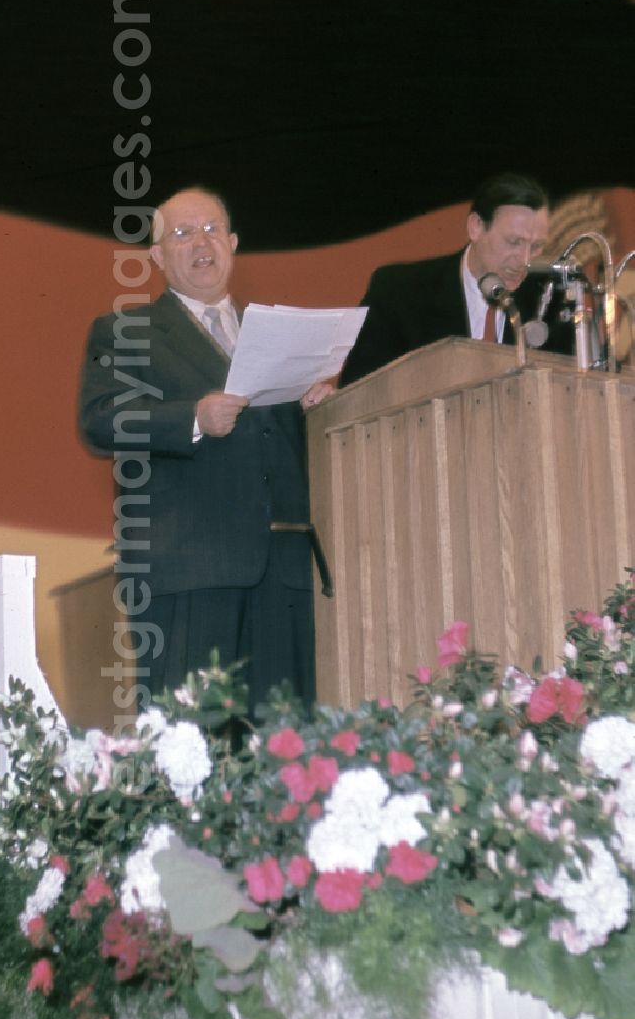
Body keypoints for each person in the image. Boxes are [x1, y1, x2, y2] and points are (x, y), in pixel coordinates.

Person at [79, 187, 330, 719]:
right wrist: (192, 418)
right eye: (183, 232)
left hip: (284, 574)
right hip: (191, 570)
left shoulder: (275, 334)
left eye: (213, 229)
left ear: (234, 243)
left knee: (288, 750)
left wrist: (319, 407)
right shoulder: (124, 330)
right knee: (195, 746)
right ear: (157, 256)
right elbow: (100, 420)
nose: (201, 243)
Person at [339, 172, 571, 387]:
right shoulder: (399, 293)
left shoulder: (549, 299)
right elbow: (359, 387)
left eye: (537, 246)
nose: (525, 260)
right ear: (476, 227)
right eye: (513, 242)